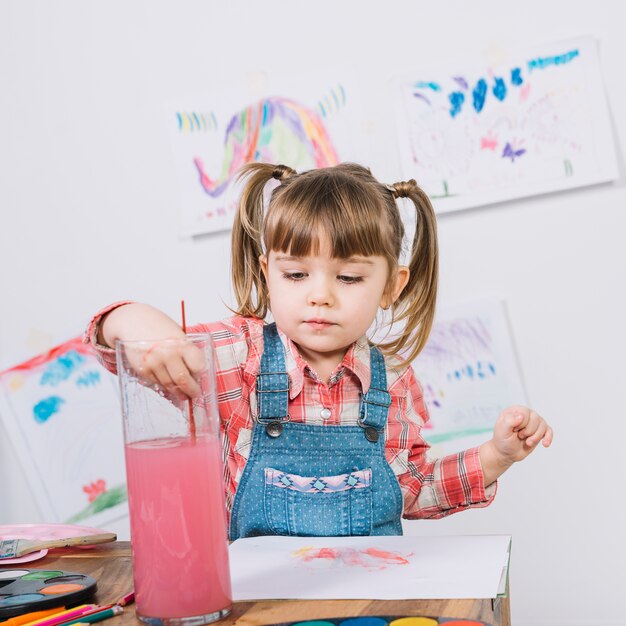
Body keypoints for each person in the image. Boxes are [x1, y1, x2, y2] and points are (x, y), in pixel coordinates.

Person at [85, 162, 553, 539]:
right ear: (267, 272)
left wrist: (498, 454)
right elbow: (114, 346)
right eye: (296, 275)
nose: (320, 296)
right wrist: (137, 323)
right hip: (261, 607)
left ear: (391, 285)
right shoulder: (235, 357)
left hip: (366, 599)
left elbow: (412, 491)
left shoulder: (394, 381)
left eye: (348, 278)